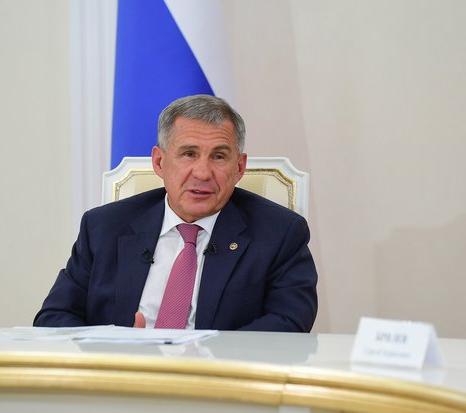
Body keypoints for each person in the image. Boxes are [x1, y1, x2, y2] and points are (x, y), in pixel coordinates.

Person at [34, 94, 317, 332]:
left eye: (219, 156)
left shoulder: (280, 233)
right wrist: (114, 347)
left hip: (218, 378)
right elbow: (53, 319)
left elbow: (290, 323)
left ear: (239, 168)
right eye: (188, 154)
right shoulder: (103, 227)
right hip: (121, 375)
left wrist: (205, 356)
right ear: (159, 162)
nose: (203, 173)